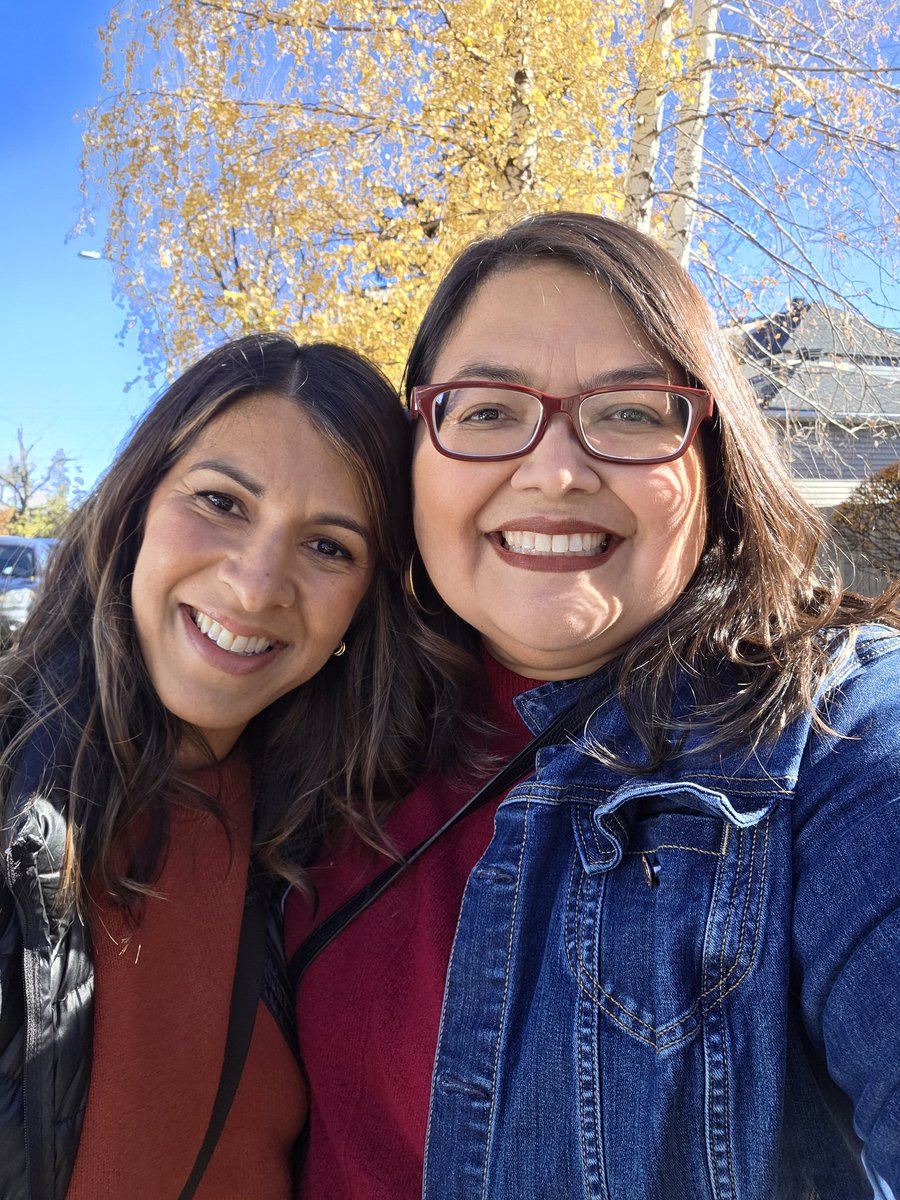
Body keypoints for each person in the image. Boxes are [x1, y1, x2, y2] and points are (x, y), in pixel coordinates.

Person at [286, 212, 900, 1199]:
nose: (557, 469)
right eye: (486, 410)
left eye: (631, 410)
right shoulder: (319, 723)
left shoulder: (833, 737)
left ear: (712, 458)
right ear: (415, 454)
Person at [0, 333, 438, 1200]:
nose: (255, 584)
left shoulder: (347, 845)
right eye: (222, 502)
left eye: (329, 548)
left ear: (365, 605)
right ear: (134, 510)